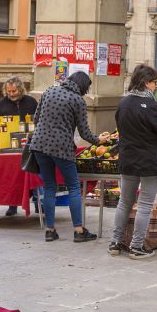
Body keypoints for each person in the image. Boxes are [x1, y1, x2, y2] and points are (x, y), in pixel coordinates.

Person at [28, 71, 109, 243]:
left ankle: (50, 231)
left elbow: (36, 118)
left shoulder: (49, 91)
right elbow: (84, 132)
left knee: (49, 187)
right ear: (82, 87)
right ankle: (79, 231)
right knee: (73, 187)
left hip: (39, 145)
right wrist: (98, 140)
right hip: (61, 147)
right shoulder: (77, 100)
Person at [108, 65, 157, 259]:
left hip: (128, 158)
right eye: (155, 82)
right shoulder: (153, 107)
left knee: (124, 202)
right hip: (149, 162)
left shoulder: (124, 103)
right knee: (145, 204)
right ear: (146, 83)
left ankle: (115, 242)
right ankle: (137, 246)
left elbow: (120, 128)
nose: (156, 86)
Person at [0, 77, 39, 216]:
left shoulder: (31, 102)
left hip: (30, 143)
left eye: (14, 91)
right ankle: (12, 205)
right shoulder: (0, 105)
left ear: (20, 89)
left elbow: (39, 119)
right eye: (9, 91)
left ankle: (38, 203)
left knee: (34, 174)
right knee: (13, 176)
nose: (11, 94)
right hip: (9, 145)